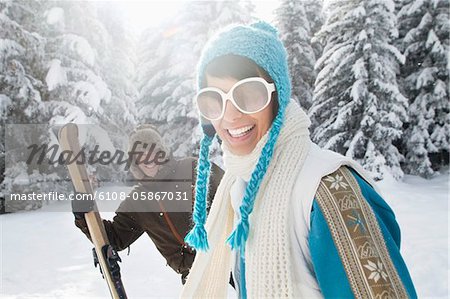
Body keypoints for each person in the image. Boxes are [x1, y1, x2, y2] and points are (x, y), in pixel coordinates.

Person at [181, 21, 417, 298]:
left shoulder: (330, 191)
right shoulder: (240, 187)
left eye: (249, 94)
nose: (230, 115)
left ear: (277, 98)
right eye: (214, 99)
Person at [74, 124, 224, 284]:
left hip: (227, 257)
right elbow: (115, 238)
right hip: (194, 275)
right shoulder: (138, 201)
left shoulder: (192, 168)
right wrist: (83, 217)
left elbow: (231, 193)